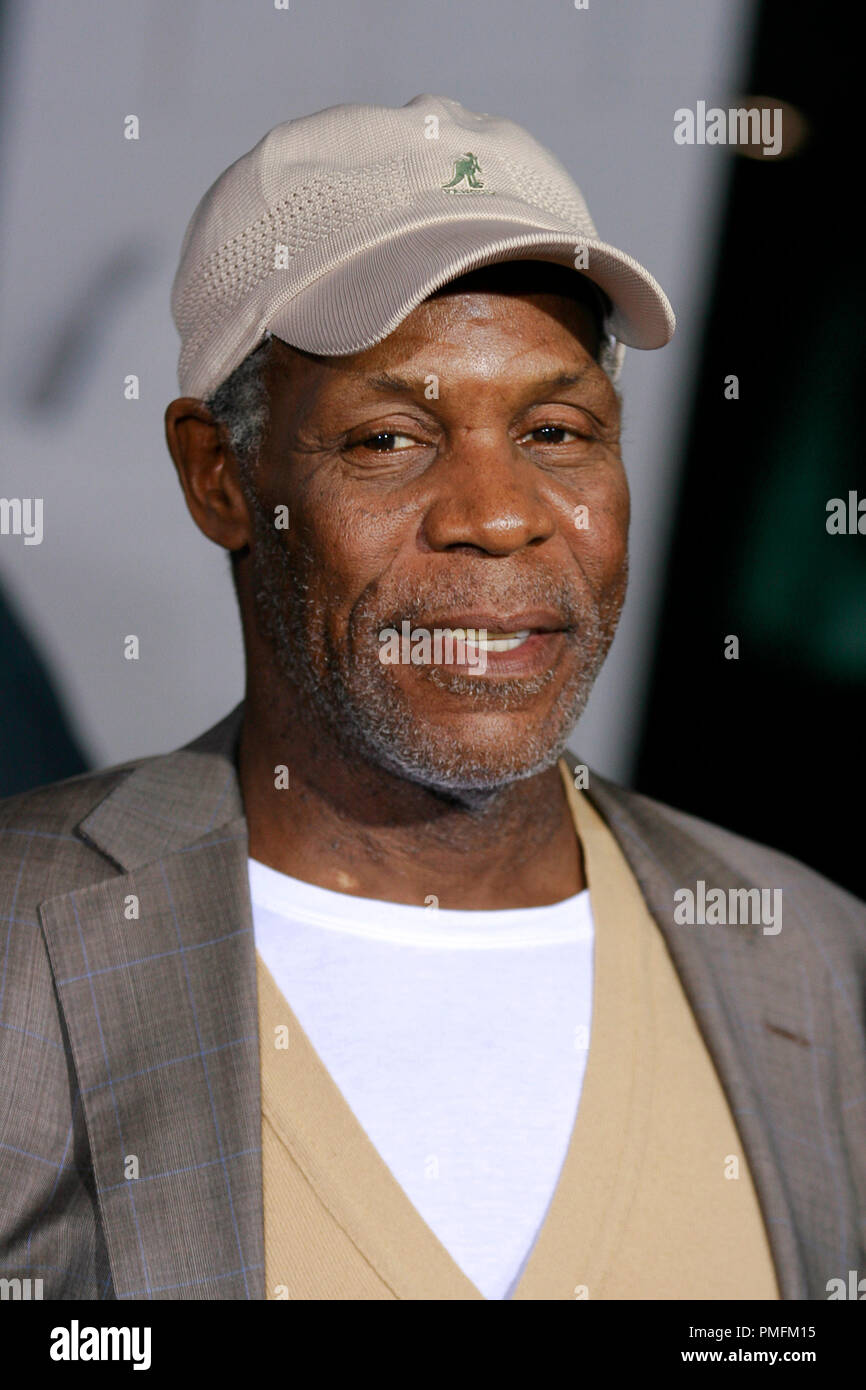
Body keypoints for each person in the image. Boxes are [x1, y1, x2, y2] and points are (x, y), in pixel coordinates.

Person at [1, 94, 863, 1302]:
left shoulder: (812, 961)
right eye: (388, 440)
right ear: (219, 477)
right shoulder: (26, 946)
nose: (498, 514)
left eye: (557, 431)